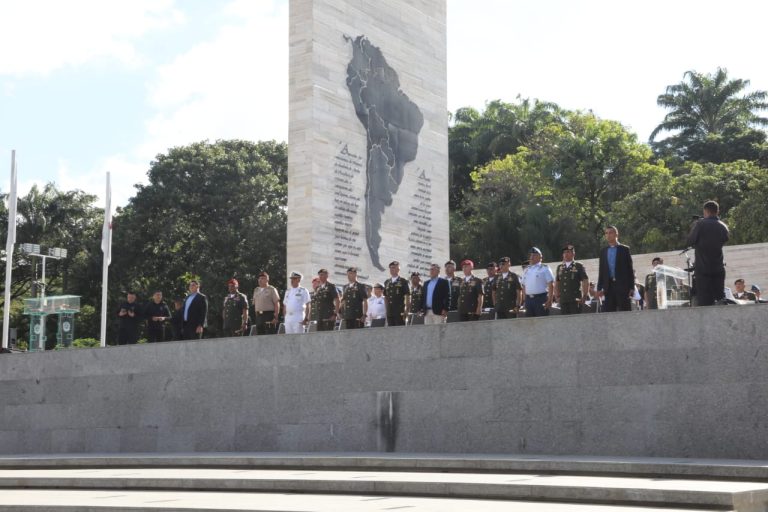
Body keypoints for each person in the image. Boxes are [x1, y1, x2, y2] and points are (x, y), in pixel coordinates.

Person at [687, 200, 729, 306]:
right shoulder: (723, 226)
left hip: (703, 269)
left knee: (705, 301)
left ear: (705, 211)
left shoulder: (700, 224)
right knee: (720, 298)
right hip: (718, 268)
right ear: (717, 211)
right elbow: (724, 240)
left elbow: (690, 241)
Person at [596, 226, 635, 312]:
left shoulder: (624, 249)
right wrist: (599, 288)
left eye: (610, 233)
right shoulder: (603, 251)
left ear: (616, 234)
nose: (608, 235)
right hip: (608, 287)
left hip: (623, 287)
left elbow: (630, 270)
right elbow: (601, 271)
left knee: (624, 312)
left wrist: (631, 287)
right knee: (608, 313)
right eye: (606, 233)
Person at [554, 244, 589, 315]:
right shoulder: (560, 267)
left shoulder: (578, 266)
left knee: (575, 321)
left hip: (575, 299)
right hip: (563, 299)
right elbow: (557, 282)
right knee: (565, 321)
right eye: (564, 252)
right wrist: (557, 296)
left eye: (568, 252)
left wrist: (585, 295)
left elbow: (585, 281)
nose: (565, 254)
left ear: (573, 254)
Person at [521, 248, 554, 317]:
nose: (531, 257)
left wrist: (550, 300)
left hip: (540, 299)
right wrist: (524, 300)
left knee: (542, 322)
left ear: (540, 257)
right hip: (529, 300)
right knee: (530, 322)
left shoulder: (545, 268)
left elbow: (551, 284)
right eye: (531, 255)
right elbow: (524, 286)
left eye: (534, 255)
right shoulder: (527, 269)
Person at [384, 261, 410, 326]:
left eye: (394, 268)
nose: (392, 269)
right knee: (390, 332)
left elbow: (407, 296)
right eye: (390, 268)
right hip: (390, 311)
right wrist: (386, 310)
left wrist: (406, 310)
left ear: (398, 269)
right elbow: (385, 297)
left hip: (399, 311)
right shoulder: (387, 282)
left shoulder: (403, 281)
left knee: (400, 331)